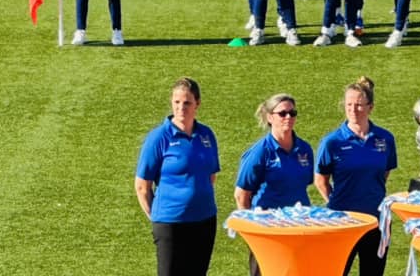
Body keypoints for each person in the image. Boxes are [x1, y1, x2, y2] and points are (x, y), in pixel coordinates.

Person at [135, 77, 220, 276]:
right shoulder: (158, 138)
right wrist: (157, 216)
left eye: (187, 102)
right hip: (170, 223)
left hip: (204, 220)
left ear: (197, 104)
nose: (181, 107)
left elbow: (211, 175)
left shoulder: (206, 135)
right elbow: (142, 186)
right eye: (177, 102)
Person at [315, 77, 397, 276]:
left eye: (359, 105)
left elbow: (384, 172)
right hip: (343, 222)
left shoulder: (385, 139)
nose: (353, 110)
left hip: (376, 221)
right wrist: (336, 203)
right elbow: (321, 180)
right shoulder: (332, 142)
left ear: (370, 107)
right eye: (349, 104)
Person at [235, 93, 313, 276]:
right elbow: (241, 194)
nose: (288, 117)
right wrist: (252, 228)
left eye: (292, 113)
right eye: (283, 113)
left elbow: (304, 183)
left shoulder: (304, 149)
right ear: (270, 117)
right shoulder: (260, 152)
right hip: (268, 231)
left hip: (298, 227)